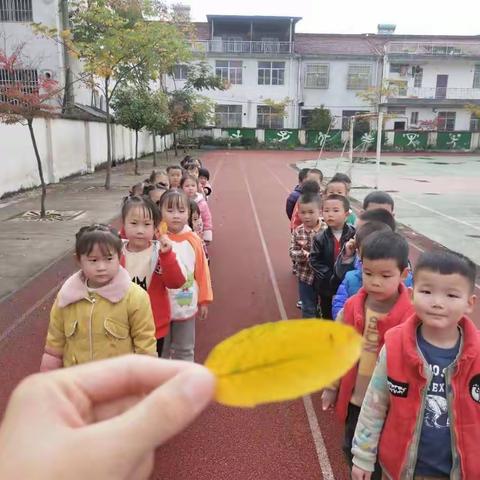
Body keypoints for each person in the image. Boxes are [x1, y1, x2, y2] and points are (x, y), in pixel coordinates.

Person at [351, 250, 479, 480]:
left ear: (470, 303)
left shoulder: (478, 355)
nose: (437, 303)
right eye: (427, 291)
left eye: (451, 295)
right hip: (401, 469)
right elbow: (374, 404)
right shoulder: (395, 345)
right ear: (411, 295)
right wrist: (362, 455)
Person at [0, 355, 215, 479]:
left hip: (117, 379)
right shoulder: (69, 296)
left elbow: (143, 336)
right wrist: (50, 361)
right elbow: (56, 335)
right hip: (87, 381)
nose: (100, 271)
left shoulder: (132, 296)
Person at [322, 231, 413, 479]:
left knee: (387, 458)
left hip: (392, 405)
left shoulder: (411, 317)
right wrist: (332, 386)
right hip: (356, 400)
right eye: (368, 273)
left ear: (404, 274)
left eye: (385, 276)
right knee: (351, 450)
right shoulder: (352, 307)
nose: (374, 282)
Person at [40, 224, 157, 371]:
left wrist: (145, 381)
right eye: (93, 260)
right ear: (78, 260)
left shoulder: (135, 297)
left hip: (117, 383)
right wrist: (49, 373)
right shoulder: (66, 298)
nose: (101, 267)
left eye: (108, 258)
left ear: (119, 256)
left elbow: (145, 344)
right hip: (77, 381)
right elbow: (55, 342)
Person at [121, 196, 186, 357]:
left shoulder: (160, 252)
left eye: (147, 224)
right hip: (121, 326)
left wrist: (167, 256)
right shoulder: (114, 252)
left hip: (153, 326)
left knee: (149, 370)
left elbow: (176, 282)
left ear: (155, 227)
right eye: (134, 223)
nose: (140, 230)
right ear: (124, 224)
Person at [159, 190, 213, 361]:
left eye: (181, 211)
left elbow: (202, 272)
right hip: (160, 305)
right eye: (170, 210)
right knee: (162, 350)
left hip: (186, 302)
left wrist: (204, 300)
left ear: (189, 213)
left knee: (185, 349)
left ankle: (185, 378)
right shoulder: (156, 238)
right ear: (160, 211)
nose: (176, 216)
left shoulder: (193, 240)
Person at [332, 221, 392, 319]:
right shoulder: (351, 278)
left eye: (385, 276)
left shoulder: (401, 278)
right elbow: (338, 305)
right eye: (368, 273)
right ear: (358, 252)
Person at [310, 194, 355, 319]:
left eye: (335, 210)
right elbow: (314, 260)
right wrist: (329, 276)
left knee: (348, 312)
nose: (330, 214)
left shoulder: (354, 235)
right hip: (327, 286)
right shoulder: (320, 238)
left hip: (347, 282)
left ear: (346, 214)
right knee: (327, 313)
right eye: (326, 210)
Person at [289, 192, 326, 318]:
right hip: (305, 277)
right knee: (308, 307)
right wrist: (305, 255)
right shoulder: (298, 231)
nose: (306, 216)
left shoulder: (326, 230)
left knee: (324, 306)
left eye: (311, 212)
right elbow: (292, 252)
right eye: (303, 212)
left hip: (323, 277)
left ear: (320, 212)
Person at [181, 174, 213, 243]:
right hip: (183, 234)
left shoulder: (202, 203)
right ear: (181, 187)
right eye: (187, 186)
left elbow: (207, 218)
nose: (190, 188)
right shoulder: (180, 202)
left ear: (197, 187)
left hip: (198, 233)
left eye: (193, 185)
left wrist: (207, 232)